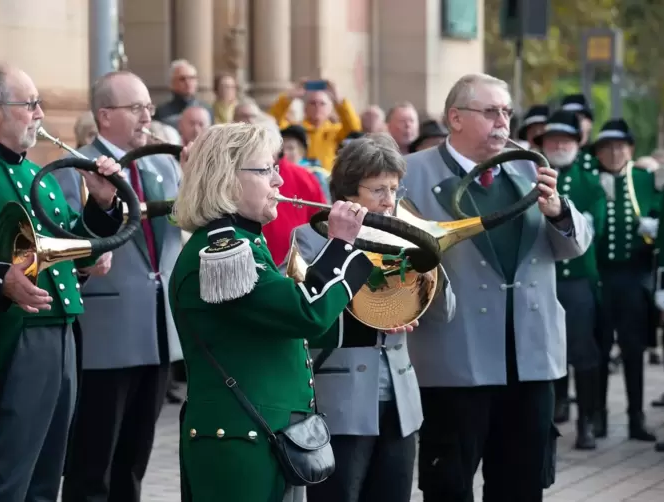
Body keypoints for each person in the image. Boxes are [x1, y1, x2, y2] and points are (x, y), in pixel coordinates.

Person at [171, 122, 414, 502]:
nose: (279, 182)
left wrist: (380, 318)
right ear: (227, 178)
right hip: (241, 441)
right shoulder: (226, 250)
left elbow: (285, 327)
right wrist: (342, 247)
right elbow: (306, 313)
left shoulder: (247, 242)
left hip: (265, 435)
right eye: (266, 169)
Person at [0, 61, 124, 501]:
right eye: (30, 104)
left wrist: (101, 205)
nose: (39, 114)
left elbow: (70, 243)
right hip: (7, 338)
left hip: (60, 331)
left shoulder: (39, 177)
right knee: (5, 483)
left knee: (45, 479)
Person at [402, 73, 593, 501]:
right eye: (490, 112)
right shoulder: (410, 173)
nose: (502, 122)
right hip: (454, 360)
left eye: (507, 112)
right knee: (448, 484)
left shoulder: (530, 166)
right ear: (455, 118)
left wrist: (559, 211)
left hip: (529, 358)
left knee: (522, 484)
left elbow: (574, 245)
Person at [288, 133, 455, 502]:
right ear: (348, 192)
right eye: (378, 189)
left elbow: (445, 313)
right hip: (340, 401)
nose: (389, 201)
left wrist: (430, 269)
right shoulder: (310, 238)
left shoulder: (406, 239)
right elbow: (306, 319)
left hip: (399, 402)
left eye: (394, 189)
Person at [54, 70, 183, 502]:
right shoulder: (74, 169)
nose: (147, 116)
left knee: (134, 461)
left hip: (156, 332)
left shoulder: (160, 164)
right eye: (136, 108)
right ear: (105, 115)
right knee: (93, 464)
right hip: (105, 337)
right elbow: (68, 245)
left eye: (149, 106)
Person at [535, 110, 606, 450]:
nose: (559, 144)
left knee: (583, 352)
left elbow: (595, 231)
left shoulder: (591, 182)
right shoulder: (529, 178)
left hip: (578, 280)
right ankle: (548, 420)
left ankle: (588, 421)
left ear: (578, 145)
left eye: (566, 139)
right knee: (546, 352)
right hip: (545, 278)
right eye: (552, 140)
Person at [596, 118, 659, 443]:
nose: (614, 152)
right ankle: (599, 419)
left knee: (634, 350)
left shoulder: (644, 179)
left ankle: (636, 417)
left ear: (630, 149)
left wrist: (655, 227)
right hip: (601, 279)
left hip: (635, 277)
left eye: (619, 146)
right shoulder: (591, 178)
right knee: (600, 350)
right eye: (606, 147)